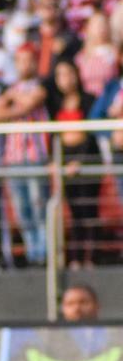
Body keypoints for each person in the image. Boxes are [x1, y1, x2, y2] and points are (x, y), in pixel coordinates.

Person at [0, 45, 50, 268]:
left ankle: (44, 254)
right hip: (13, 158)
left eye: (29, 60)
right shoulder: (11, 90)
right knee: (21, 209)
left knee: (39, 206)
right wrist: (15, 102)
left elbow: (30, 104)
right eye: (21, 60)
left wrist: (13, 100)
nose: (25, 65)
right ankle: (32, 253)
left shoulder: (41, 85)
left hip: (36, 155)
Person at [47, 59, 104, 268]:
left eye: (69, 74)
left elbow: (91, 134)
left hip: (86, 160)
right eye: (60, 75)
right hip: (65, 162)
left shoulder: (89, 100)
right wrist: (56, 161)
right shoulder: (55, 103)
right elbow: (54, 136)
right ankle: (76, 257)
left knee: (89, 210)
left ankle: (91, 257)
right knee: (74, 211)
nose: (66, 79)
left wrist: (80, 161)